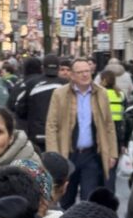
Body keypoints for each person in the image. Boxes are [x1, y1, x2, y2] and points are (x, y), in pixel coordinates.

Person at [45, 57, 118, 208]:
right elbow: (51, 126)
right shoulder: (59, 94)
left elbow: (109, 125)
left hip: (90, 155)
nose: (85, 75)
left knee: (88, 198)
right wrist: (54, 154)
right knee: (65, 199)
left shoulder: (101, 93)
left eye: (87, 71)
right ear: (72, 75)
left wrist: (112, 153)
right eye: (80, 72)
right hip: (68, 154)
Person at [14, 55, 69, 153]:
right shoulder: (67, 85)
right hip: (60, 135)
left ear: (43, 68)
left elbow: (20, 109)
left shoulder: (31, 84)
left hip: (36, 134)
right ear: (58, 68)